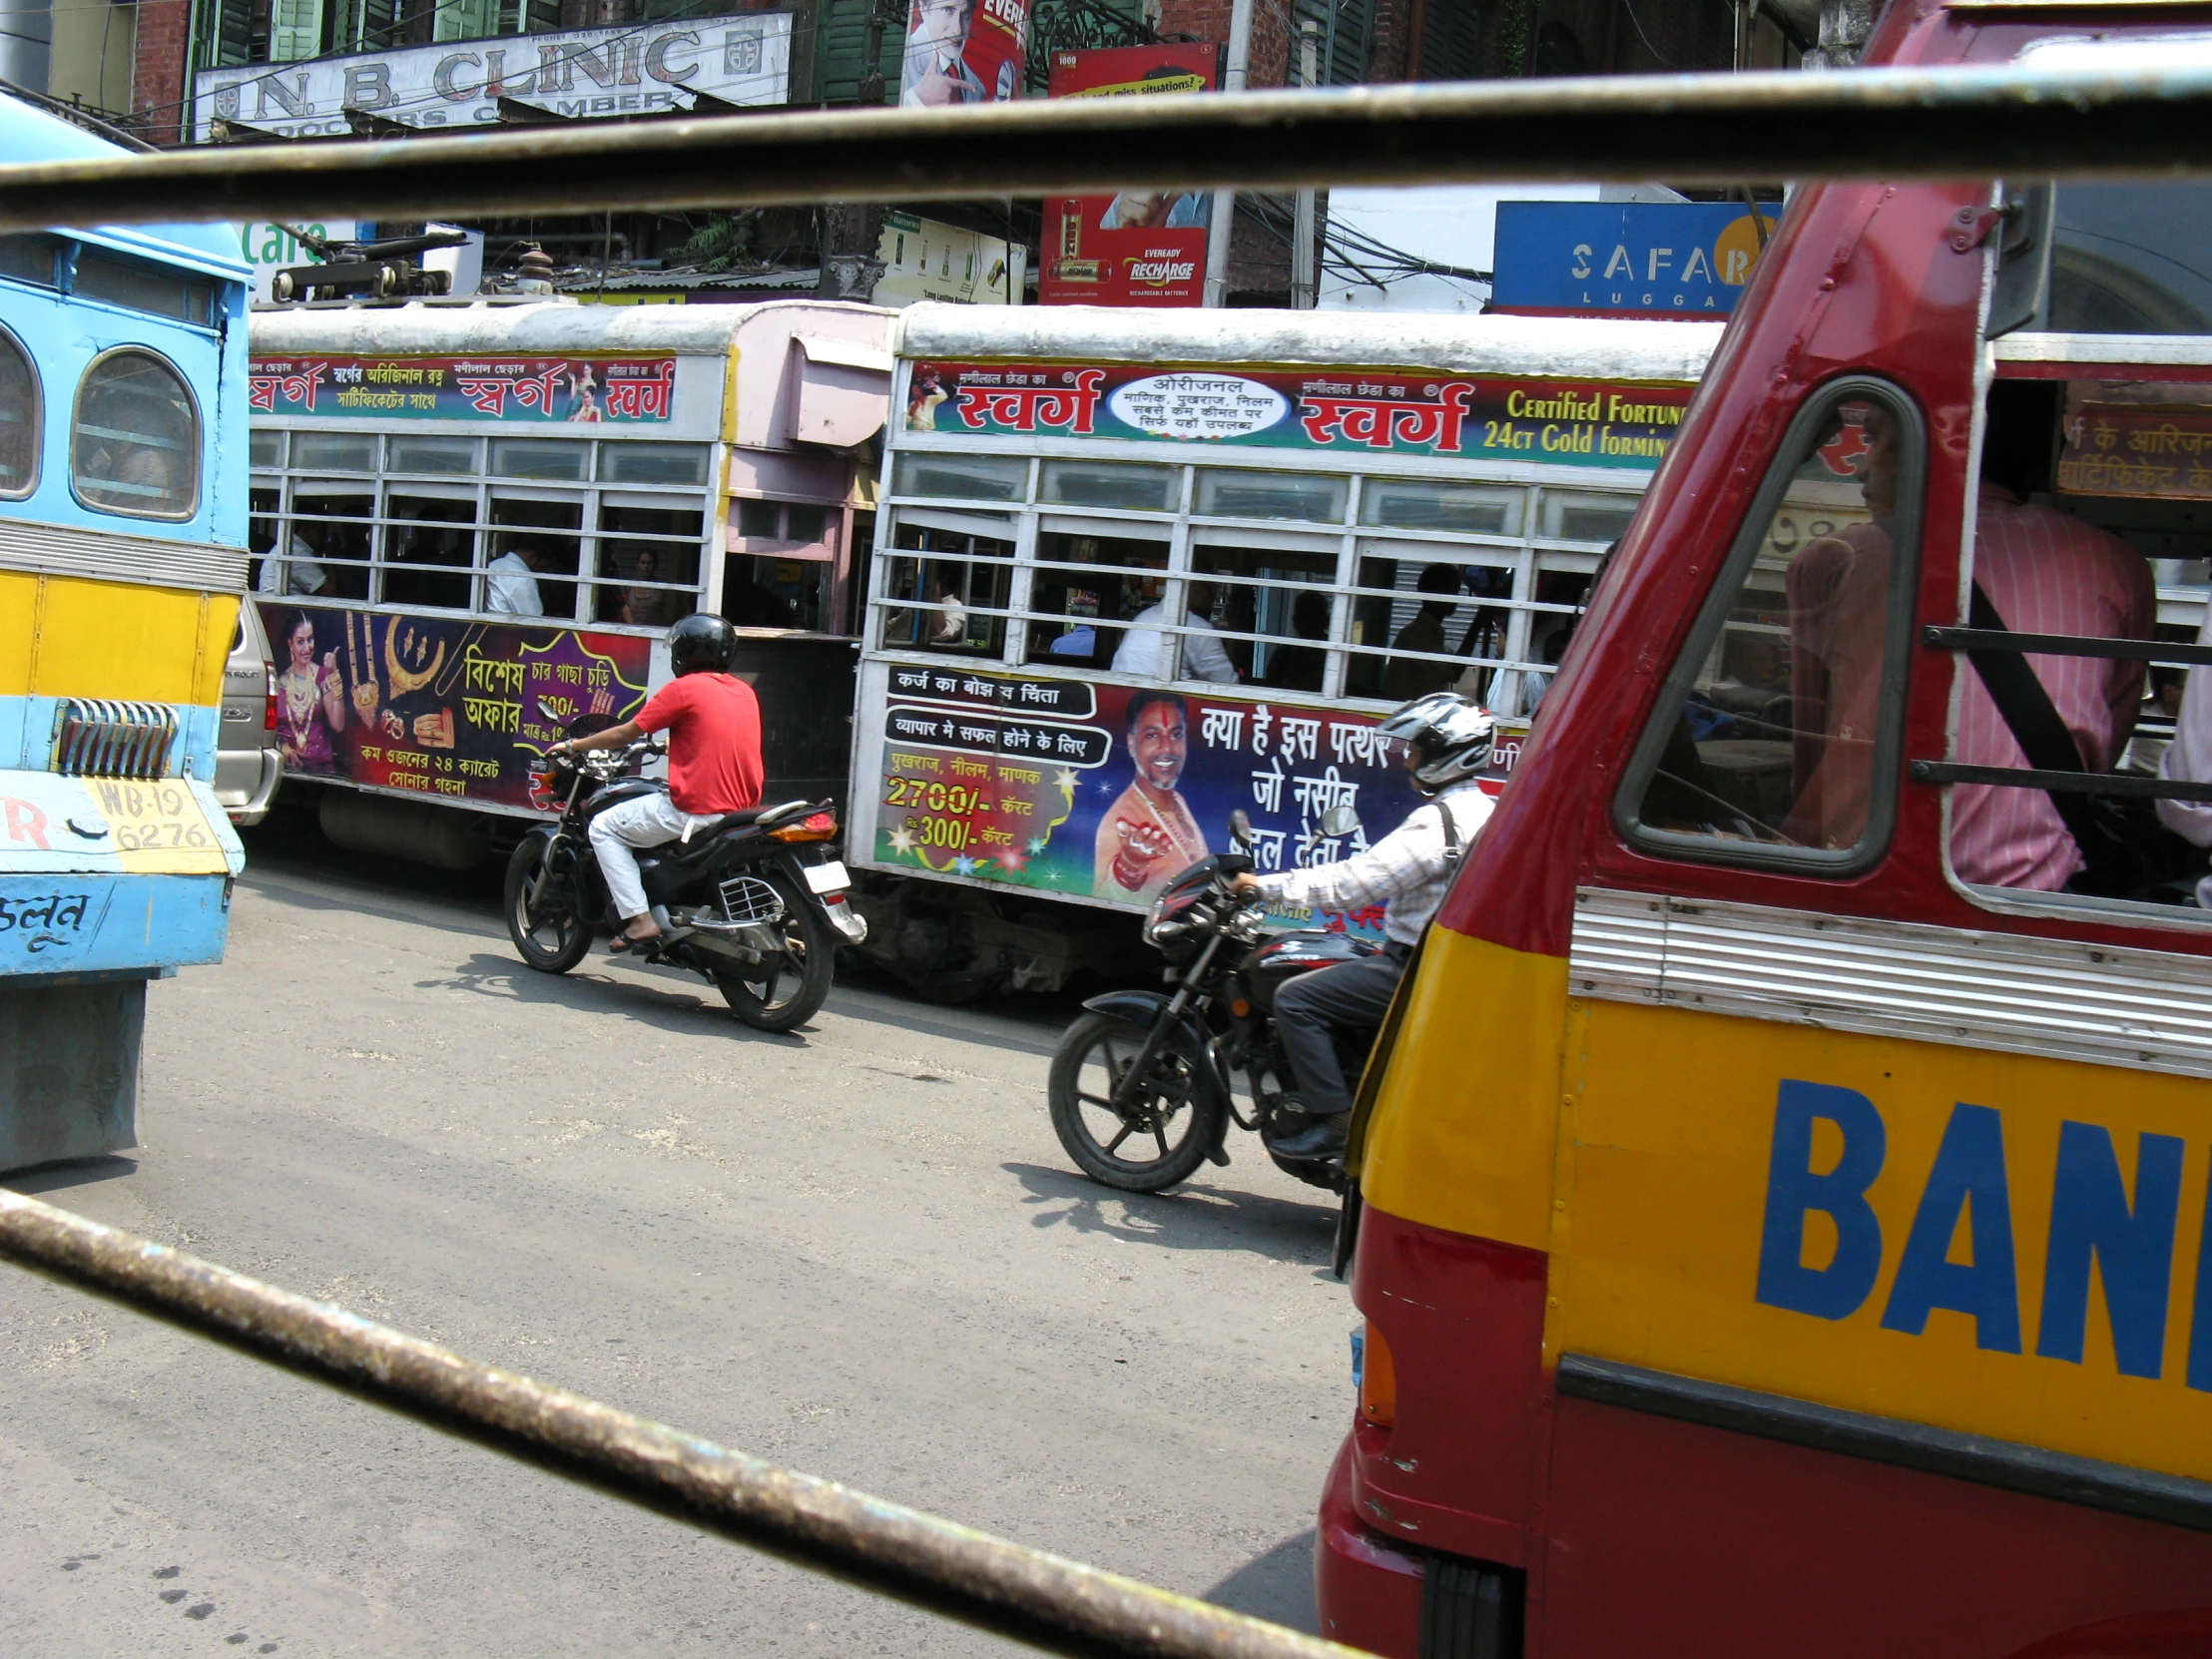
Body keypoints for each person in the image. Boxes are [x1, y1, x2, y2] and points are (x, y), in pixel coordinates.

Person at [1228, 693, 1497, 1159]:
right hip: (1447, 964)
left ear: (1446, 753)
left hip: (1413, 967)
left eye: (1416, 750)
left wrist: (1265, 888)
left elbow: (1355, 885)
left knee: (1296, 997)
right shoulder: (1485, 810)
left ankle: (1335, 1118)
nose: (1408, 760)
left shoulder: (1439, 823)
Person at [1949, 479, 2153, 889]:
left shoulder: (1848, 555)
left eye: (1876, 438)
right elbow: (2110, 736)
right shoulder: (2119, 561)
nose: (1861, 465)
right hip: (2042, 875)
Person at [549, 614, 765, 952]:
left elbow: (626, 733)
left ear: (683, 653)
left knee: (604, 827)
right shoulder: (743, 691)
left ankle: (639, 919)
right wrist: (671, 744)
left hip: (696, 809)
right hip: (739, 811)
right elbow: (716, 737)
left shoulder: (682, 689)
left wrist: (574, 745)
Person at [1093, 691, 1208, 902]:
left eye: (1175, 735)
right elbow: (1104, 899)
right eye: (1152, 735)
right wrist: (1130, 864)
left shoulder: (1177, 801)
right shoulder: (1121, 822)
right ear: (1131, 744)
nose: (1166, 748)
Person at [1113, 582, 1238, 683]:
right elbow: (1227, 684)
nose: (1211, 593)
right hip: (1160, 703)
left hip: (1119, 694)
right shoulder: (1198, 628)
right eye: (1207, 586)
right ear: (1190, 583)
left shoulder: (1144, 616)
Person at [273, 611, 343, 774]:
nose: (307, 648)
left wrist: (333, 673)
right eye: (300, 642)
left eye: (310, 640)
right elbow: (268, 728)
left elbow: (338, 724)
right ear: (290, 644)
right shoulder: (280, 681)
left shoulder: (322, 675)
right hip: (286, 766)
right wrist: (284, 748)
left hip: (320, 766)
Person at [1383, 564, 1463, 700]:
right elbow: (1454, 672)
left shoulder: (1425, 631)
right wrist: (1478, 622)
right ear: (1438, 592)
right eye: (1453, 592)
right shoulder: (1421, 634)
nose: (1457, 598)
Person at [899, 0, 986, 106]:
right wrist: (917, 100)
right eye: (948, 10)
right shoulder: (902, 61)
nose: (957, 30)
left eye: (966, 14)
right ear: (924, 8)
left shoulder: (977, 88)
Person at [1262, 589, 1331, 692]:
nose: (1308, 623)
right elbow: (1270, 689)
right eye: (1303, 617)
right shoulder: (1284, 654)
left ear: (1326, 620)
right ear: (1295, 620)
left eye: (1314, 617)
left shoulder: (1335, 654)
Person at [257, 528, 329, 598]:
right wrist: (331, 552)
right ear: (306, 529)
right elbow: (327, 592)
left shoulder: (287, 546)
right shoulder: (297, 551)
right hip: (281, 607)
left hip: (275, 603)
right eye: (320, 530)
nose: (323, 535)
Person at [487, 539, 549, 617]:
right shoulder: (524, 579)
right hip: (504, 627)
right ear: (532, 557)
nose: (540, 571)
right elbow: (533, 620)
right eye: (542, 567)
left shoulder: (492, 565)